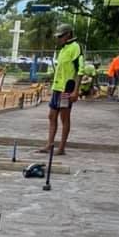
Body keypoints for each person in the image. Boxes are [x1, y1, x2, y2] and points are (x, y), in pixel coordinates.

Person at [40, 24, 82, 155]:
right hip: (57, 88)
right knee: (52, 116)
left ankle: (62, 147)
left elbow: (80, 71)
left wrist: (75, 91)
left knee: (64, 118)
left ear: (68, 34)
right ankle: (50, 144)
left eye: (61, 36)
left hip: (66, 89)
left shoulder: (75, 47)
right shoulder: (63, 49)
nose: (59, 39)